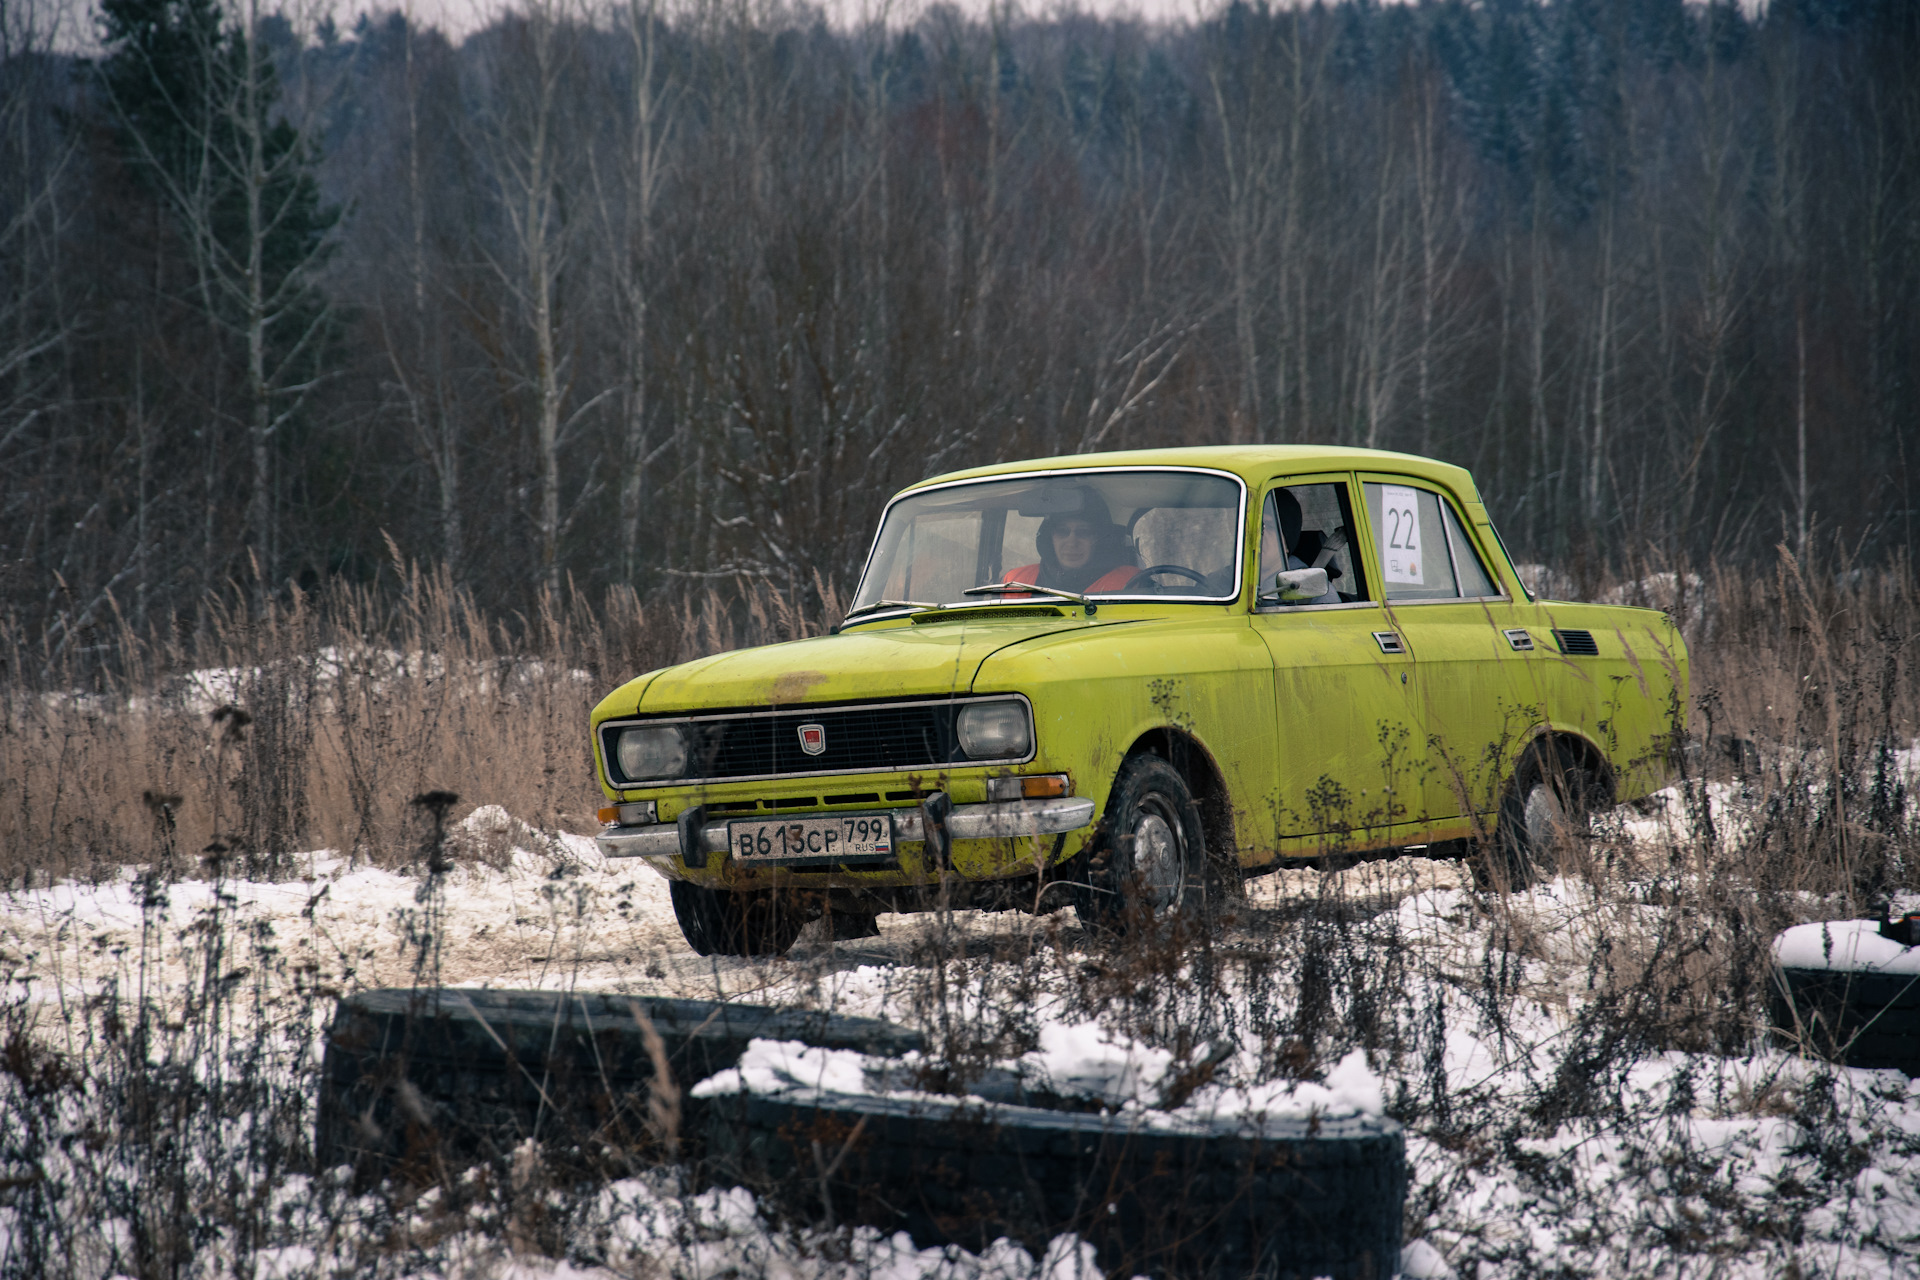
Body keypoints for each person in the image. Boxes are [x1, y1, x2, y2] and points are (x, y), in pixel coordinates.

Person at [1004, 488, 1137, 594]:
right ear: (1050, 538)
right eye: (1062, 532)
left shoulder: (1129, 583)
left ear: (1098, 539)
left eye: (1083, 532)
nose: (1072, 542)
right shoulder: (1017, 582)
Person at [1260, 488, 1341, 605]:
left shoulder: (1316, 592)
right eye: (1254, 527)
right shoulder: (1230, 584)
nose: (1258, 536)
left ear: (1286, 545)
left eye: (1270, 528)